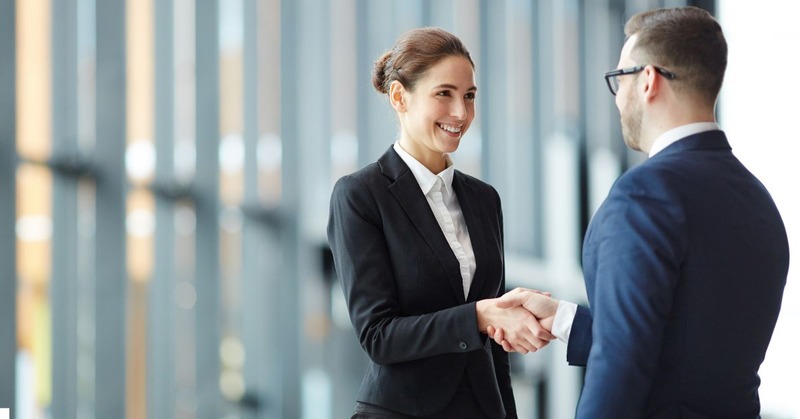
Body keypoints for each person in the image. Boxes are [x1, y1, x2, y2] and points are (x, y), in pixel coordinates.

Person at [488, 6, 789, 418]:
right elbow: (681, 350)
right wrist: (562, 319)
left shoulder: (643, 195)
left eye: (619, 79)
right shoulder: (758, 201)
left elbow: (621, 370)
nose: (617, 99)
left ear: (648, 80)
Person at [327, 27, 553, 419]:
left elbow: (493, 348)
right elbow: (378, 336)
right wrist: (480, 315)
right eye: (443, 94)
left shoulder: (484, 199)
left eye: (468, 96)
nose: (461, 114)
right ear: (399, 96)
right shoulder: (361, 195)